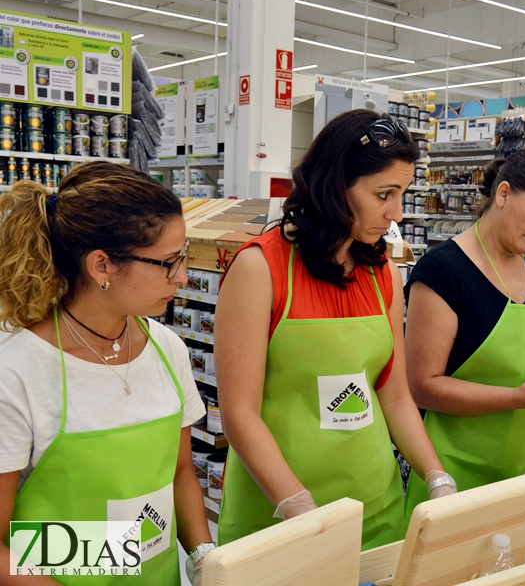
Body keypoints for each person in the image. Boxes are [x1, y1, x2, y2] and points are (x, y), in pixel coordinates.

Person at [215, 110, 456, 551]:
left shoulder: (383, 274)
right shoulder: (260, 269)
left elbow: (395, 393)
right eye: (384, 194)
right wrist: (296, 504)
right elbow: (239, 414)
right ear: (333, 186)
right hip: (279, 519)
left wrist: (436, 477)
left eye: (402, 193)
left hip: (374, 509)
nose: (396, 212)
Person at [0, 162, 213, 585]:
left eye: (183, 257)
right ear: (101, 266)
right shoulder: (18, 371)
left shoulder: (167, 348)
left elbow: (180, 473)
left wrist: (205, 557)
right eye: (169, 262)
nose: (183, 277)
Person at [403, 149, 525, 514]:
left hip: (524, 474)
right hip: (453, 477)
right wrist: (516, 398)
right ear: (504, 194)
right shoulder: (443, 272)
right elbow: (423, 386)